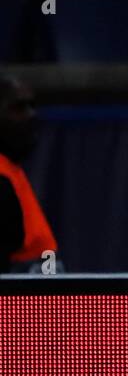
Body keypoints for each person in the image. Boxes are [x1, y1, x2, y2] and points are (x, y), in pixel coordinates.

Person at [0, 75, 57, 273]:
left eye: (32, 106)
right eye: (18, 108)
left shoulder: (10, 168)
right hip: (17, 300)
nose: (31, 115)